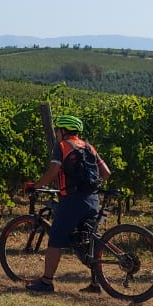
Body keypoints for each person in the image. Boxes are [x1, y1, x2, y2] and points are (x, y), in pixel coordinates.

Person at [24, 114, 111, 294]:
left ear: (62, 131)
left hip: (72, 200)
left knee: (56, 239)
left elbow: (54, 170)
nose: (56, 133)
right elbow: (106, 172)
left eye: (57, 130)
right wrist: (92, 186)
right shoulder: (89, 147)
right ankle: (96, 283)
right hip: (92, 200)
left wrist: (36, 185)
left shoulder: (62, 146)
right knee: (88, 240)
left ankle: (46, 282)